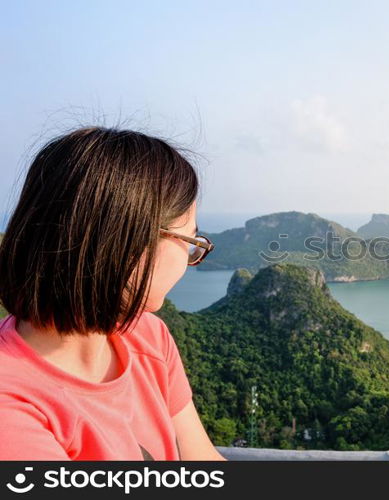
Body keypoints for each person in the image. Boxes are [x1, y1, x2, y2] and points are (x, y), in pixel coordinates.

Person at [0, 126, 226, 460]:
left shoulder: (148, 337)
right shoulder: (13, 409)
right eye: (191, 242)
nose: (190, 258)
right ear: (132, 243)